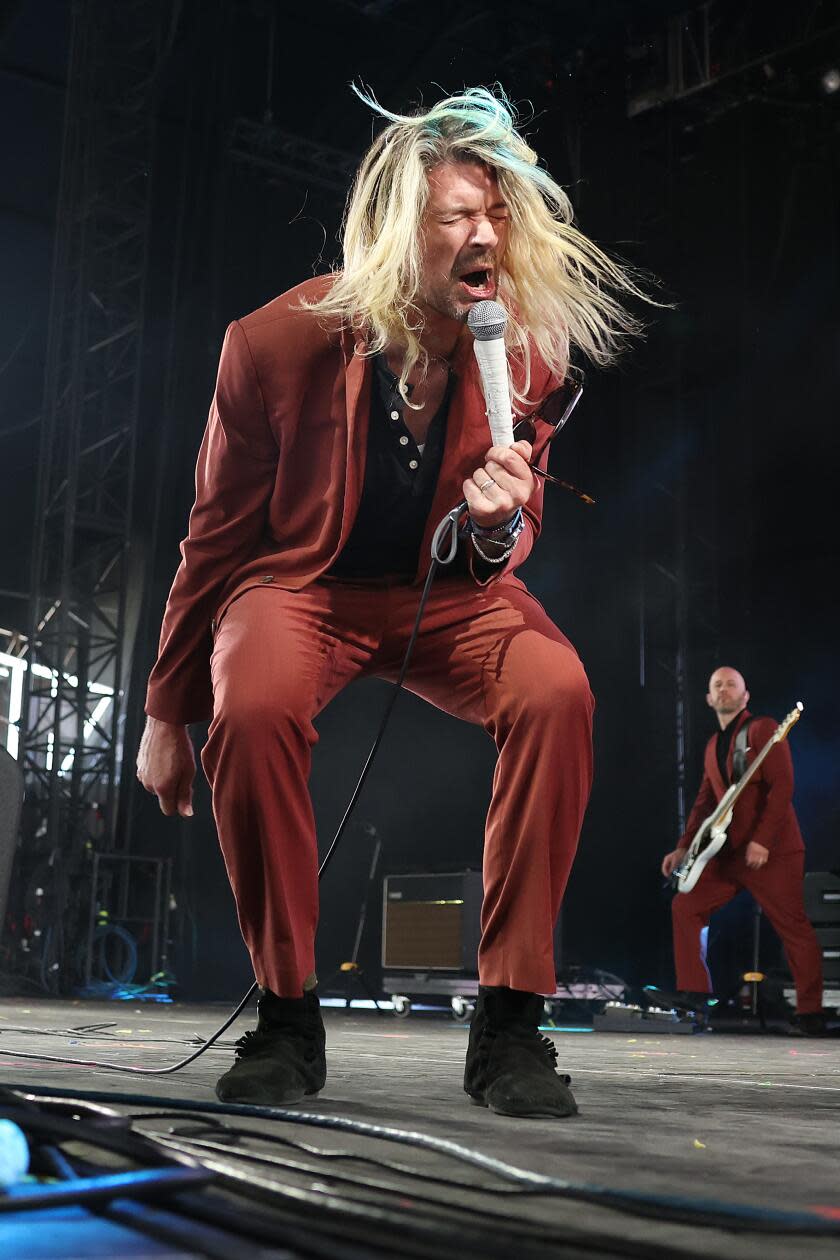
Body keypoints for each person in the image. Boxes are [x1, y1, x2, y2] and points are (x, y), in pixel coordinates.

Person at [137, 86, 646, 1117]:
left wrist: (503, 522)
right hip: (302, 588)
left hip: (446, 600)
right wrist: (164, 708)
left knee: (557, 693)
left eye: (498, 213)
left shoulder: (526, 348)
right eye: (458, 215)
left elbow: (514, 532)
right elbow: (216, 538)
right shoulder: (271, 345)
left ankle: (509, 1025)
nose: (486, 235)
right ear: (395, 230)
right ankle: (286, 1019)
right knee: (257, 702)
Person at [661, 666, 824, 1033]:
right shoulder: (709, 747)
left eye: (731, 684)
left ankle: (811, 1012)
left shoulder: (763, 729)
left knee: (793, 926)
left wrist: (762, 840)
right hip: (730, 853)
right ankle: (695, 995)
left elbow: (782, 787)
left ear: (745, 695)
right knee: (685, 905)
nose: (723, 690)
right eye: (716, 685)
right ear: (707, 698)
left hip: (773, 851)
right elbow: (705, 803)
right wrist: (683, 849)